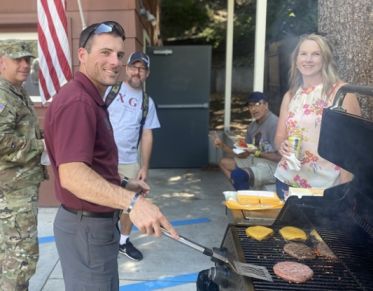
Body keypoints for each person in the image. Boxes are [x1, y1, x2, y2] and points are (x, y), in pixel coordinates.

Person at [43, 21, 178, 291]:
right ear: (82, 55)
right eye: (105, 52)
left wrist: (124, 184)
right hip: (86, 228)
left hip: (93, 225)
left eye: (118, 54)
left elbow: (92, 164)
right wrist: (133, 203)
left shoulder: (92, 97)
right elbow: (73, 175)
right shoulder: (79, 102)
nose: (114, 61)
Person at [274, 33, 361, 199]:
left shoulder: (342, 93)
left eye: (315, 54)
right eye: (303, 54)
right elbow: (279, 137)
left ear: (325, 59)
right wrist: (282, 145)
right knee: (287, 227)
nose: (308, 59)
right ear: (296, 59)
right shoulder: (291, 95)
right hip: (287, 181)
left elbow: (352, 147)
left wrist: (345, 192)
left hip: (328, 187)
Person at [0, 40, 46, 291]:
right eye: (18, 59)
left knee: (9, 256)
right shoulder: (3, 94)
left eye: (28, 59)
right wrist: (41, 146)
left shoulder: (17, 91)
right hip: (13, 192)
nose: (25, 64)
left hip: (18, 189)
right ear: (2, 62)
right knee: (20, 260)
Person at [105, 51, 159, 261]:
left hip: (129, 163)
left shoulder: (147, 102)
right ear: (126, 68)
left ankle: (123, 242)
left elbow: (147, 134)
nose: (137, 71)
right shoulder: (109, 91)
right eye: (134, 67)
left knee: (130, 203)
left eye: (142, 68)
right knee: (102, 201)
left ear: (147, 73)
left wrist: (144, 166)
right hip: (104, 160)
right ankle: (104, 240)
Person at [213, 92, 281, 190]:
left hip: (272, 166)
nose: (254, 109)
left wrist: (256, 152)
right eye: (250, 105)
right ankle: (242, 191)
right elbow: (244, 154)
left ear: (266, 105)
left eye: (257, 104)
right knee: (223, 162)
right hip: (256, 160)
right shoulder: (252, 127)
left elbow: (279, 157)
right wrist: (222, 145)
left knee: (238, 175)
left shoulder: (275, 124)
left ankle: (243, 195)